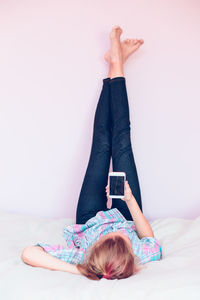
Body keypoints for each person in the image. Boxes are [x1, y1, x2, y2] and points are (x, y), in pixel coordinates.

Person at [21, 25, 162, 280]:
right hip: (127, 209)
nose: (114, 228)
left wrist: (79, 269)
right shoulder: (142, 253)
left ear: (94, 249)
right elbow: (150, 239)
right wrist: (129, 199)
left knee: (101, 145)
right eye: (124, 238)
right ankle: (116, 63)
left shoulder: (83, 256)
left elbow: (29, 253)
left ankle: (115, 62)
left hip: (88, 219)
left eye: (110, 236)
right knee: (121, 141)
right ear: (132, 252)